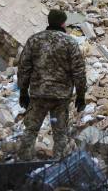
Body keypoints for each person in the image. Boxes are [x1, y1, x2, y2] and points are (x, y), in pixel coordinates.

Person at [17, 9, 86, 160]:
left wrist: (23, 91)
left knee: (31, 130)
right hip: (61, 98)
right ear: (63, 23)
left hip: (38, 95)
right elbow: (79, 72)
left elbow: (24, 67)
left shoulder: (34, 40)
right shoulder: (70, 42)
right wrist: (81, 95)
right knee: (60, 134)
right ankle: (59, 166)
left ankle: (22, 164)